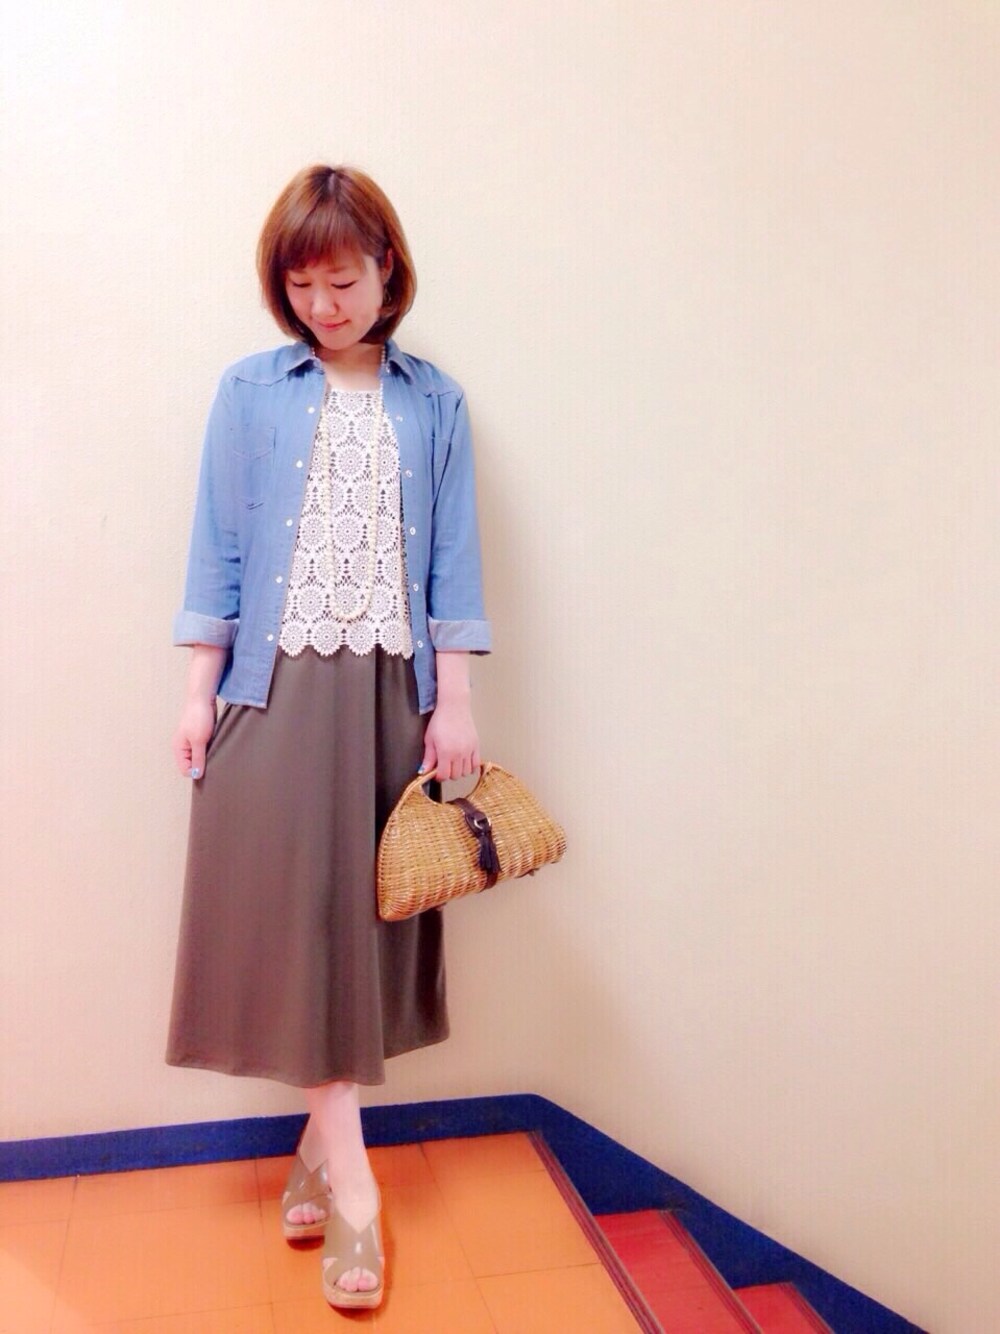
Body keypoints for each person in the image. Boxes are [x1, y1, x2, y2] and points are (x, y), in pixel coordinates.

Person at [165, 164, 490, 1310]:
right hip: (273, 688)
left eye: (342, 281)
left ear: (387, 269)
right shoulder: (248, 392)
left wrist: (454, 699)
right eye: (301, 286)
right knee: (287, 921)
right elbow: (218, 547)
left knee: (359, 925)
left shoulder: (435, 402)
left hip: (391, 693)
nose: (323, 306)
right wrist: (199, 691)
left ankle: (317, 1148)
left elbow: (454, 559)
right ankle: (354, 1182)